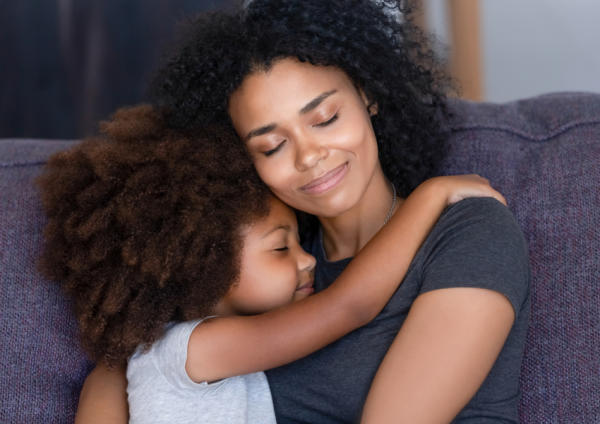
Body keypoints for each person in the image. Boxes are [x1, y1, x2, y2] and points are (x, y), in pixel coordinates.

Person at [78, 0, 530, 422]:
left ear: (367, 95)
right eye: (272, 145)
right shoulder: (269, 262)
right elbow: (127, 363)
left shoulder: (469, 231)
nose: (309, 155)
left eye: (326, 118)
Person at [38, 104, 505, 423]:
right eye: (281, 248)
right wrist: (430, 196)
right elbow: (349, 306)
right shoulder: (197, 348)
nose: (308, 261)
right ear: (207, 267)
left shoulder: (161, 356)